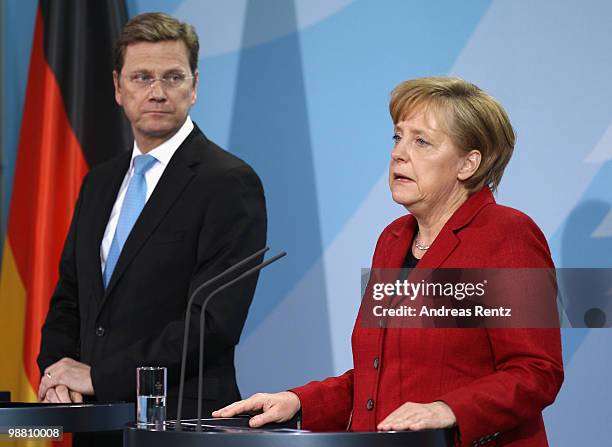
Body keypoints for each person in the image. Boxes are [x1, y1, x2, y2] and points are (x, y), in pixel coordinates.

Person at [214, 77, 563, 446]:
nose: (399, 153)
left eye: (421, 141)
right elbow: (378, 375)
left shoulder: (508, 234)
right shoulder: (393, 240)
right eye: (398, 137)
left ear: (468, 164)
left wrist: (450, 410)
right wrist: (300, 401)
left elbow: (537, 371)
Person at [37, 10, 266, 433]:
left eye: (173, 77)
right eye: (141, 77)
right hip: (94, 422)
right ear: (118, 88)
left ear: (195, 86)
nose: (157, 92)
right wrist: (56, 372)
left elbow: (213, 323)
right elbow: (70, 297)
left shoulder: (229, 182)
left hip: (182, 424)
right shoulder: (99, 183)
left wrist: (99, 376)